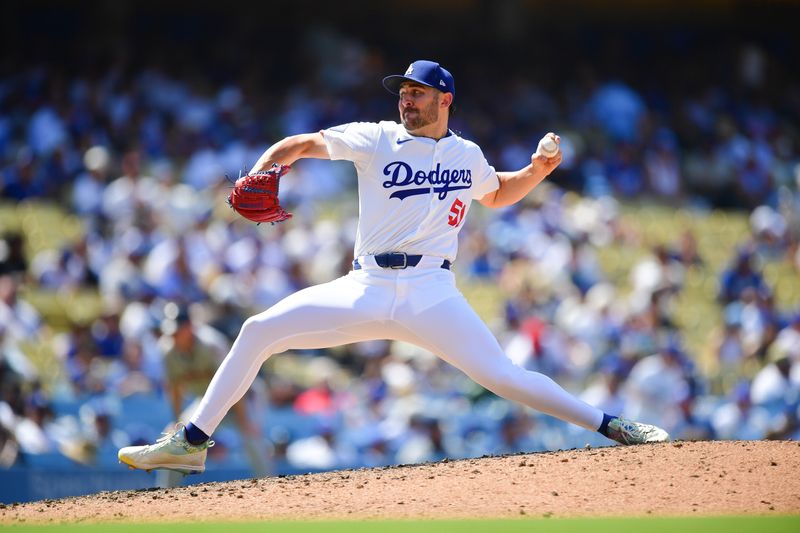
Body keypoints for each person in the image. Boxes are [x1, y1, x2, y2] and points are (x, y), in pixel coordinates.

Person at [119, 59, 668, 475]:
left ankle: (612, 424)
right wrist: (265, 167)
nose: (406, 99)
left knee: (505, 377)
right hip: (368, 285)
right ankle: (191, 441)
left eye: (417, 92)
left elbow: (498, 193)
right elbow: (303, 143)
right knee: (258, 330)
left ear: (444, 100)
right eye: (403, 92)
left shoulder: (466, 154)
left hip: (432, 290)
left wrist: (539, 168)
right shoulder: (377, 137)